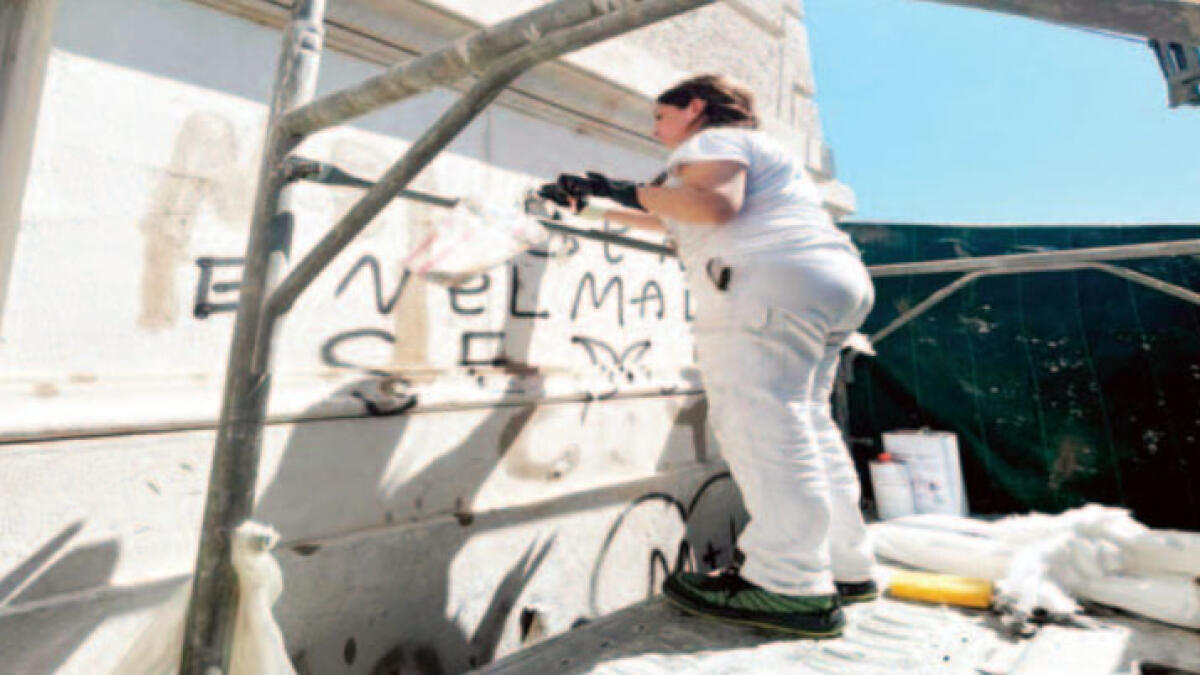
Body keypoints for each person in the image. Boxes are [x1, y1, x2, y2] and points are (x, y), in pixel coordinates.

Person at [539, 74, 878, 638]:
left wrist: (621, 189)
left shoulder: (711, 141)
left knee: (762, 425)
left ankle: (789, 585)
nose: (656, 129)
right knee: (807, 425)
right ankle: (847, 567)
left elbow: (714, 205)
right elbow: (679, 216)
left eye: (660, 116)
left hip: (766, 285)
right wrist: (596, 208)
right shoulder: (763, 153)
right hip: (830, 282)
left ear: (694, 107)